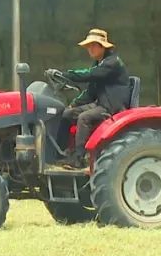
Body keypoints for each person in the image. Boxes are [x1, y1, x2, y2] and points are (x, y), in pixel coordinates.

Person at [56, 28, 130, 168]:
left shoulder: (112, 63)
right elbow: (91, 91)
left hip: (112, 107)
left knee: (84, 117)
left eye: (93, 45)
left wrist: (66, 75)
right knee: (66, 113)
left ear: (103, 46)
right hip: (101, 104)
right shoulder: (99, 64)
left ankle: (78, 158)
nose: (90, 49)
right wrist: (74, 104)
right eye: (88, 46)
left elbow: (89, 75)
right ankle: (62, 153)